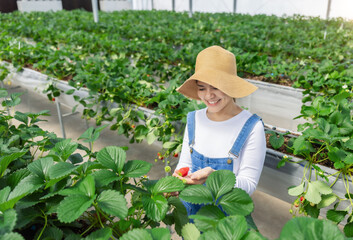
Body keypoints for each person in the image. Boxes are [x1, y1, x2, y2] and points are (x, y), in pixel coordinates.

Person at [172, 45, 266, 216]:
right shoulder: (194, 119)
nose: (208, 96)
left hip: (227, 223)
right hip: (191, 214)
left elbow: (249, 185)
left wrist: (214, 177)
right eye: (201, 88)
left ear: (231, 86)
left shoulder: (252, 127)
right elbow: (185, 163)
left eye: (215, 87)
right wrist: (178, 178)